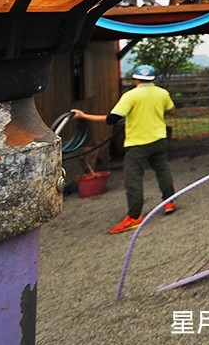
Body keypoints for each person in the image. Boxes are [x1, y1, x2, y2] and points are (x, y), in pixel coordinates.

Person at [72, 64, 177, 234]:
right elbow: (172, 111)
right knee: (162, 170)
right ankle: (169, 201)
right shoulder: (162, 93)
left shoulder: (130, 96)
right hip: (159, 139)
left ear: (135, 79)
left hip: (138, 143)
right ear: (152, 79)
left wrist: (84, 116)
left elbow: (112, 119)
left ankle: (134, 217)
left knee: (133, 179)